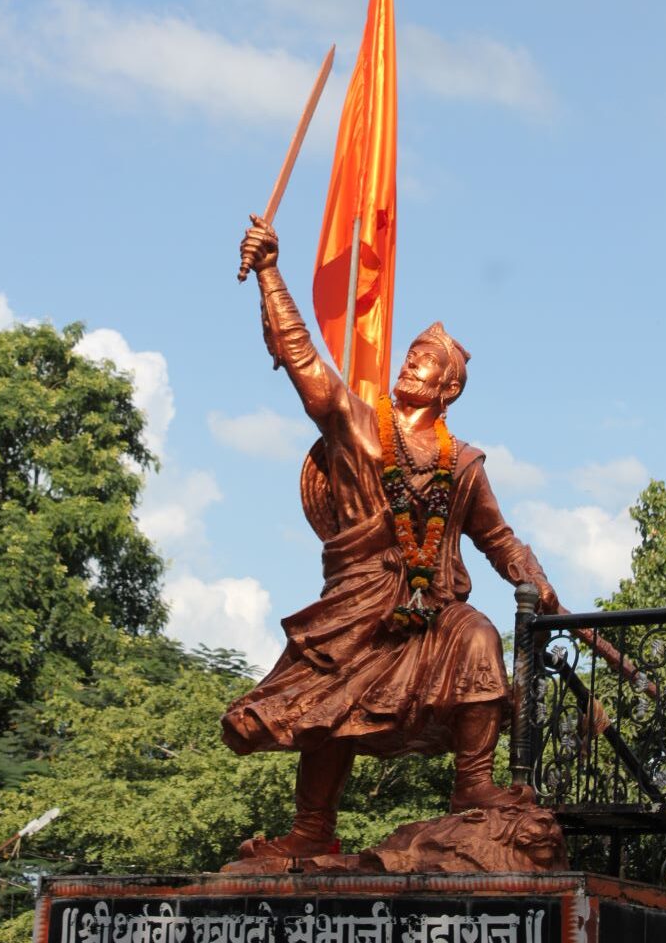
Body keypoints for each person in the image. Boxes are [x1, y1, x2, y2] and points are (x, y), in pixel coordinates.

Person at [222, 215, 558, 860]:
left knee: (480, 636)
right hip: (358, 604)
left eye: (425, 363)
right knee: (332, 711)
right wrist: (269, 272)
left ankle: (474, 787)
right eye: (409, 355)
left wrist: (535, 582)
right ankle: (312, 830)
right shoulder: (356, 422)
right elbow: (300, 357)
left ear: (448, 388)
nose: (410, 365)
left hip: (430, 606)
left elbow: (498, 538)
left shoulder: (462, 463)